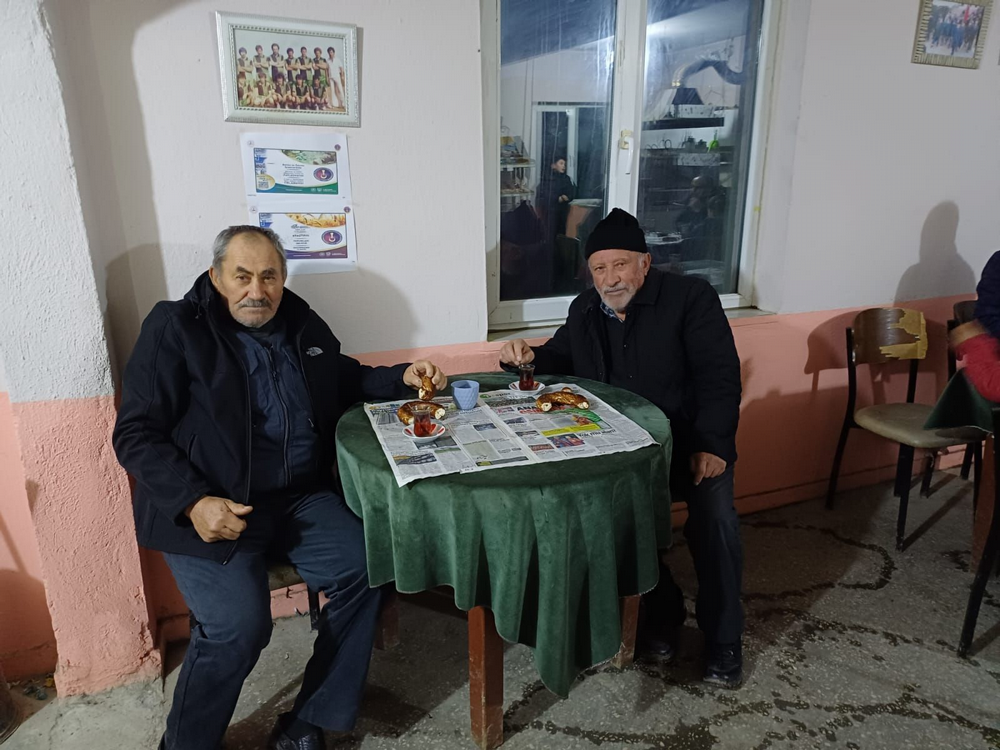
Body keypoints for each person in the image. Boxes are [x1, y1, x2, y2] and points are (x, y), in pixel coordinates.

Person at [113, 226, 447, 750]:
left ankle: (305, 722)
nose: (257, 290)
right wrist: (193, 501)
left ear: (283, 277)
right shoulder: (176, 327)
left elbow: (343, 378)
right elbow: (135, 432)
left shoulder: (300, 322)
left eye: (269, 276)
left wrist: (402, 376)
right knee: (238, 628)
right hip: (213, 504)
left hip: (297, 498)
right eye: (242, 276)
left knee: (371, 566)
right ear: (216, 277)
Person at [497, 208, 744, 687]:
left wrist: (713, 445)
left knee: (716, 527)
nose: (610, 279)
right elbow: (560, 355)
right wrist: (525, 358)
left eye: (620, 265)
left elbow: (720, 377)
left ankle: (724, 639)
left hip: (691, 446)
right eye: (599, 269)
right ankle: (663, 612)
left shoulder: (691, 298)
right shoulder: (585, 309)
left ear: (644, 263)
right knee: (604, 525)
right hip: (624, 452)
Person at [535, 156, 576, 244]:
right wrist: (557, 198)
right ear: (553, 165)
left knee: (562, 234)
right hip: (550, 212)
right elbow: (544, 195)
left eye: (564, 164)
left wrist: (567, 196)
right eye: (561, 163)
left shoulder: (566, 179)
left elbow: (572, 192)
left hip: (563, 211)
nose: (563, 166)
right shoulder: (547, 179)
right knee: (550, 234)